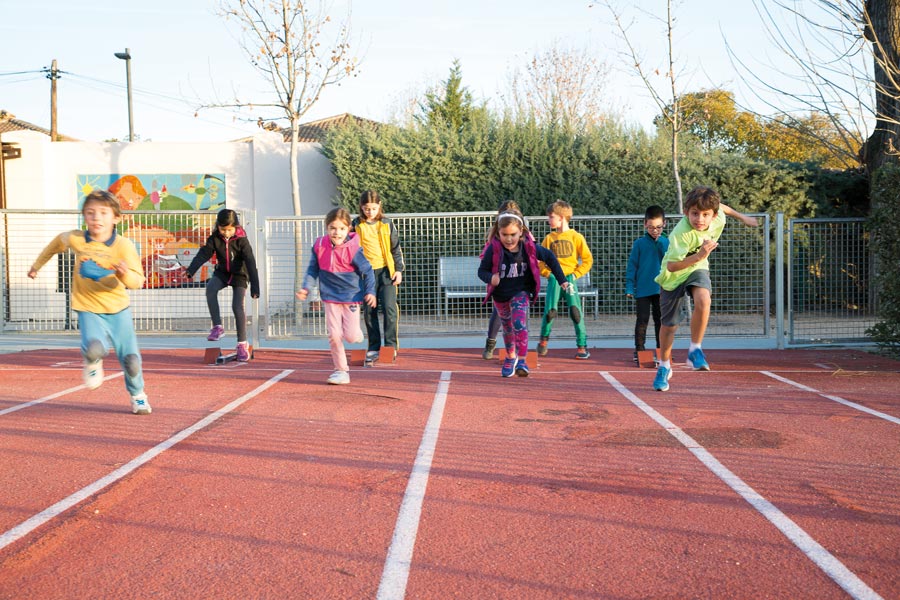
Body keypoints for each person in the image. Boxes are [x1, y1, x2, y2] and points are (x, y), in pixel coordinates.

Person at [27, 189, 151, 415]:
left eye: (103, 213)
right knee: (94, 348)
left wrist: (124, 275)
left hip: (117, 309)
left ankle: (138, 395)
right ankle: (93, 362)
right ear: (84, 216)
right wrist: (36, 266)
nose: (97, 218)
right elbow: (55, 244)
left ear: (116, 217)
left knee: (131, 360)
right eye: (90, 213)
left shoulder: (123, 246)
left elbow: (138, 281)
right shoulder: (76, 239)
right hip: (87, 307)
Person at [652, 186, 759, 391]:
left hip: (697, 268)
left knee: (704, 299)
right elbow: (672, 266)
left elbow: (724, 208)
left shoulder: (718, 218)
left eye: (705, 214)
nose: (699, 219)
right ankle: (664, 366)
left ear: (713, 215)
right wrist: (700, 255)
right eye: (694, 213)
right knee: (669, 326)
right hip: (673, 275)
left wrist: (742, 217)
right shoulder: (680, 234)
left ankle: (695, 349)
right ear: (686, 213)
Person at [478, 210, 569, 378]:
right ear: (498, 233)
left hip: (521, 292)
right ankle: (510, 357)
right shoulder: (494, 249)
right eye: (504, 235)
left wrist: (562, 280)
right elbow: (481, 271)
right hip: (500, 295)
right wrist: (491, 278)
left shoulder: (529, 247)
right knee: (507, 328)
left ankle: (522, 361)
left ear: (521, 232)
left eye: (513, 234)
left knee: (519, 323)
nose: (509, 239)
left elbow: (550, 257)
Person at [296, 207, 377, 385]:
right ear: (327, 228)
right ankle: (341, 371)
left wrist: (370, 291)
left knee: (351, 336)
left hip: (351, 296)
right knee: (334, 335)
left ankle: (356, 334)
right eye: (333, 228)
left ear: (348, 229)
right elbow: (312, 269)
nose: (337, 232)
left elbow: (368, 271)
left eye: (341, 228)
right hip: (330, 296)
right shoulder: (319, 246)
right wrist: (306, 288)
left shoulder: (354, 249)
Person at [184, 209, 260, 362]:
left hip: (240, 274)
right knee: (211, 288)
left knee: (237, 306)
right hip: (222, 273)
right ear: (218, 226)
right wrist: (191, 270)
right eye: (223, 229)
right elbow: (204, 254)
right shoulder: (214, 239)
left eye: (230, 229)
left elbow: (251, 262)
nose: (226, 233)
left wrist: (255, 286)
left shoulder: (242, 240)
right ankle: (217, 327)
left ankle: (242, 344)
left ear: (236, 227)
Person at [351, 190, 405, 363]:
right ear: (361, 207)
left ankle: (390, 347)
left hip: (386, 272)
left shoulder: (387, 224)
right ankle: (373, 347)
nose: (370, 212)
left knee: (389, 308)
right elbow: (349, 248)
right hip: (366, 274)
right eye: (367, 209)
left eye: (374, 208)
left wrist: (398, 269)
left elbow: (395, 248)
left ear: (379, 206)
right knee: (369, 311)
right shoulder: (356, 224)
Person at [536, 200, 594, 360]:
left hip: (570, 279)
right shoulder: (549, 238)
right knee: (550, 311)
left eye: (551, 216)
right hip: (555, 279)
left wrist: (575, 275)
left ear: (561, 217)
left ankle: (582, 346)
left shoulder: (576, 237)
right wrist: (548, 274)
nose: (549, 220)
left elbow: (587, 259)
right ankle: (543, 341)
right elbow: (539, 260)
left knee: (576, 312)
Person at [481, 199, 529, 360]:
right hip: (501, 282)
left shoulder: (523, 234)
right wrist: (492, 274)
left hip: (518, 281)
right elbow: (484, 259)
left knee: (519, 314)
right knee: (499, 313)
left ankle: (517, 349)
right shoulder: (495, 237)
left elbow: (533, 250)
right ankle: (491, 343)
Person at [626, 205, 668, 365]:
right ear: (645, 224)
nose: (654, 230)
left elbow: (669, 260)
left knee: (661, 321)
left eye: (658, 227)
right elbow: (632, 266)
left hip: (661, 289)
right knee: (642, 320)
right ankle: (639, 350)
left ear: (664, 224)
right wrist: (630, 286)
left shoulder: (667, 242)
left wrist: (660, 242)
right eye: (651, 227)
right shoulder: (639, 244)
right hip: (643, 289)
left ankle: (661, 349)